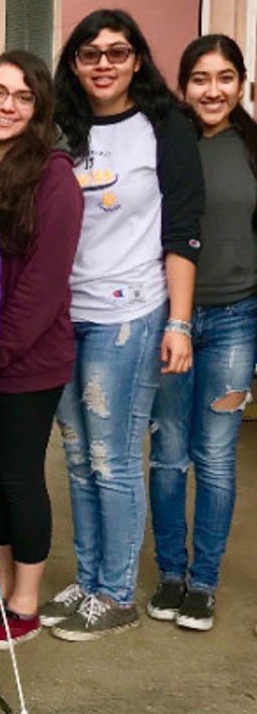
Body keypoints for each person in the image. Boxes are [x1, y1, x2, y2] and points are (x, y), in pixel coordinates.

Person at [42, 9, 203, 642]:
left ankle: (116, 594)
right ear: (74, 64)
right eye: (89, 53)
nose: (103, 63)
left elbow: (185, 230)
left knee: (113, 458)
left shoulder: (165, 126)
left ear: (138, 58)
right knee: (79, 458)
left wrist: (181, 324)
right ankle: (88, 582)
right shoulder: (61, 128)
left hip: (130, 316)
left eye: (117, 51)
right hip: (64, 315)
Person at [0, 51, 84, 649]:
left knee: (18, 476)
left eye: (22, 96)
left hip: (26, 359)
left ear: (39, 109)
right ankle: (2, 587)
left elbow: (42, 287)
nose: (6, 105)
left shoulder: (55, 176)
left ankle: (28, 600)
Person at [145, 34, 257, 632]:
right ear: (183, 85)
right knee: (168, 454)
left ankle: (203, 582)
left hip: (238, 320)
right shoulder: (167, 142)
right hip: (171, 321)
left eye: (225, 78)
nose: (213, 91)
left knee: (215, 457)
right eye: (200, 79)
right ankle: (169, 572)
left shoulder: (252, 147)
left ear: (241, 83)